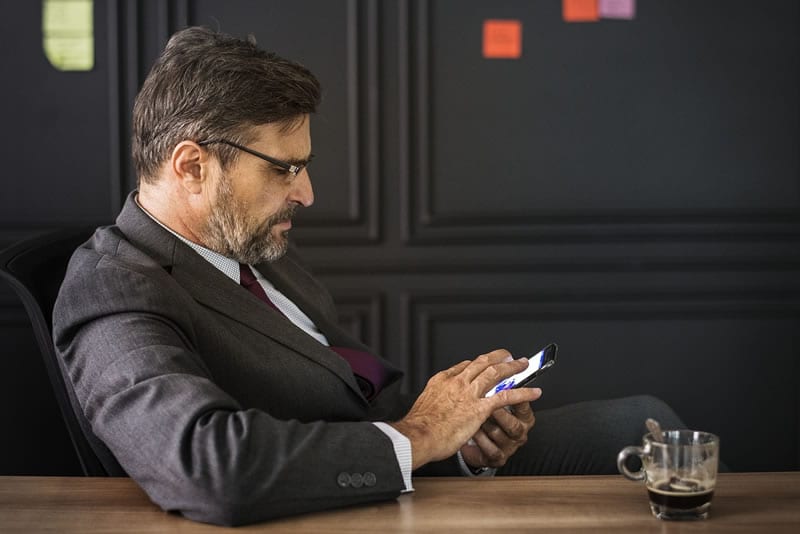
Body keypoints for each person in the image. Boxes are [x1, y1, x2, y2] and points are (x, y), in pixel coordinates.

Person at [52, 27, 683, 526]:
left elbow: (356, 386)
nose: (307, 192)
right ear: (191, 164)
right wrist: (418, 435)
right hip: (331, 507)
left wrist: (462, 440)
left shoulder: (248, 245)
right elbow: (209, 467)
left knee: (643, 422)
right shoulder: (112, 287)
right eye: (284, 169)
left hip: (391, 473)